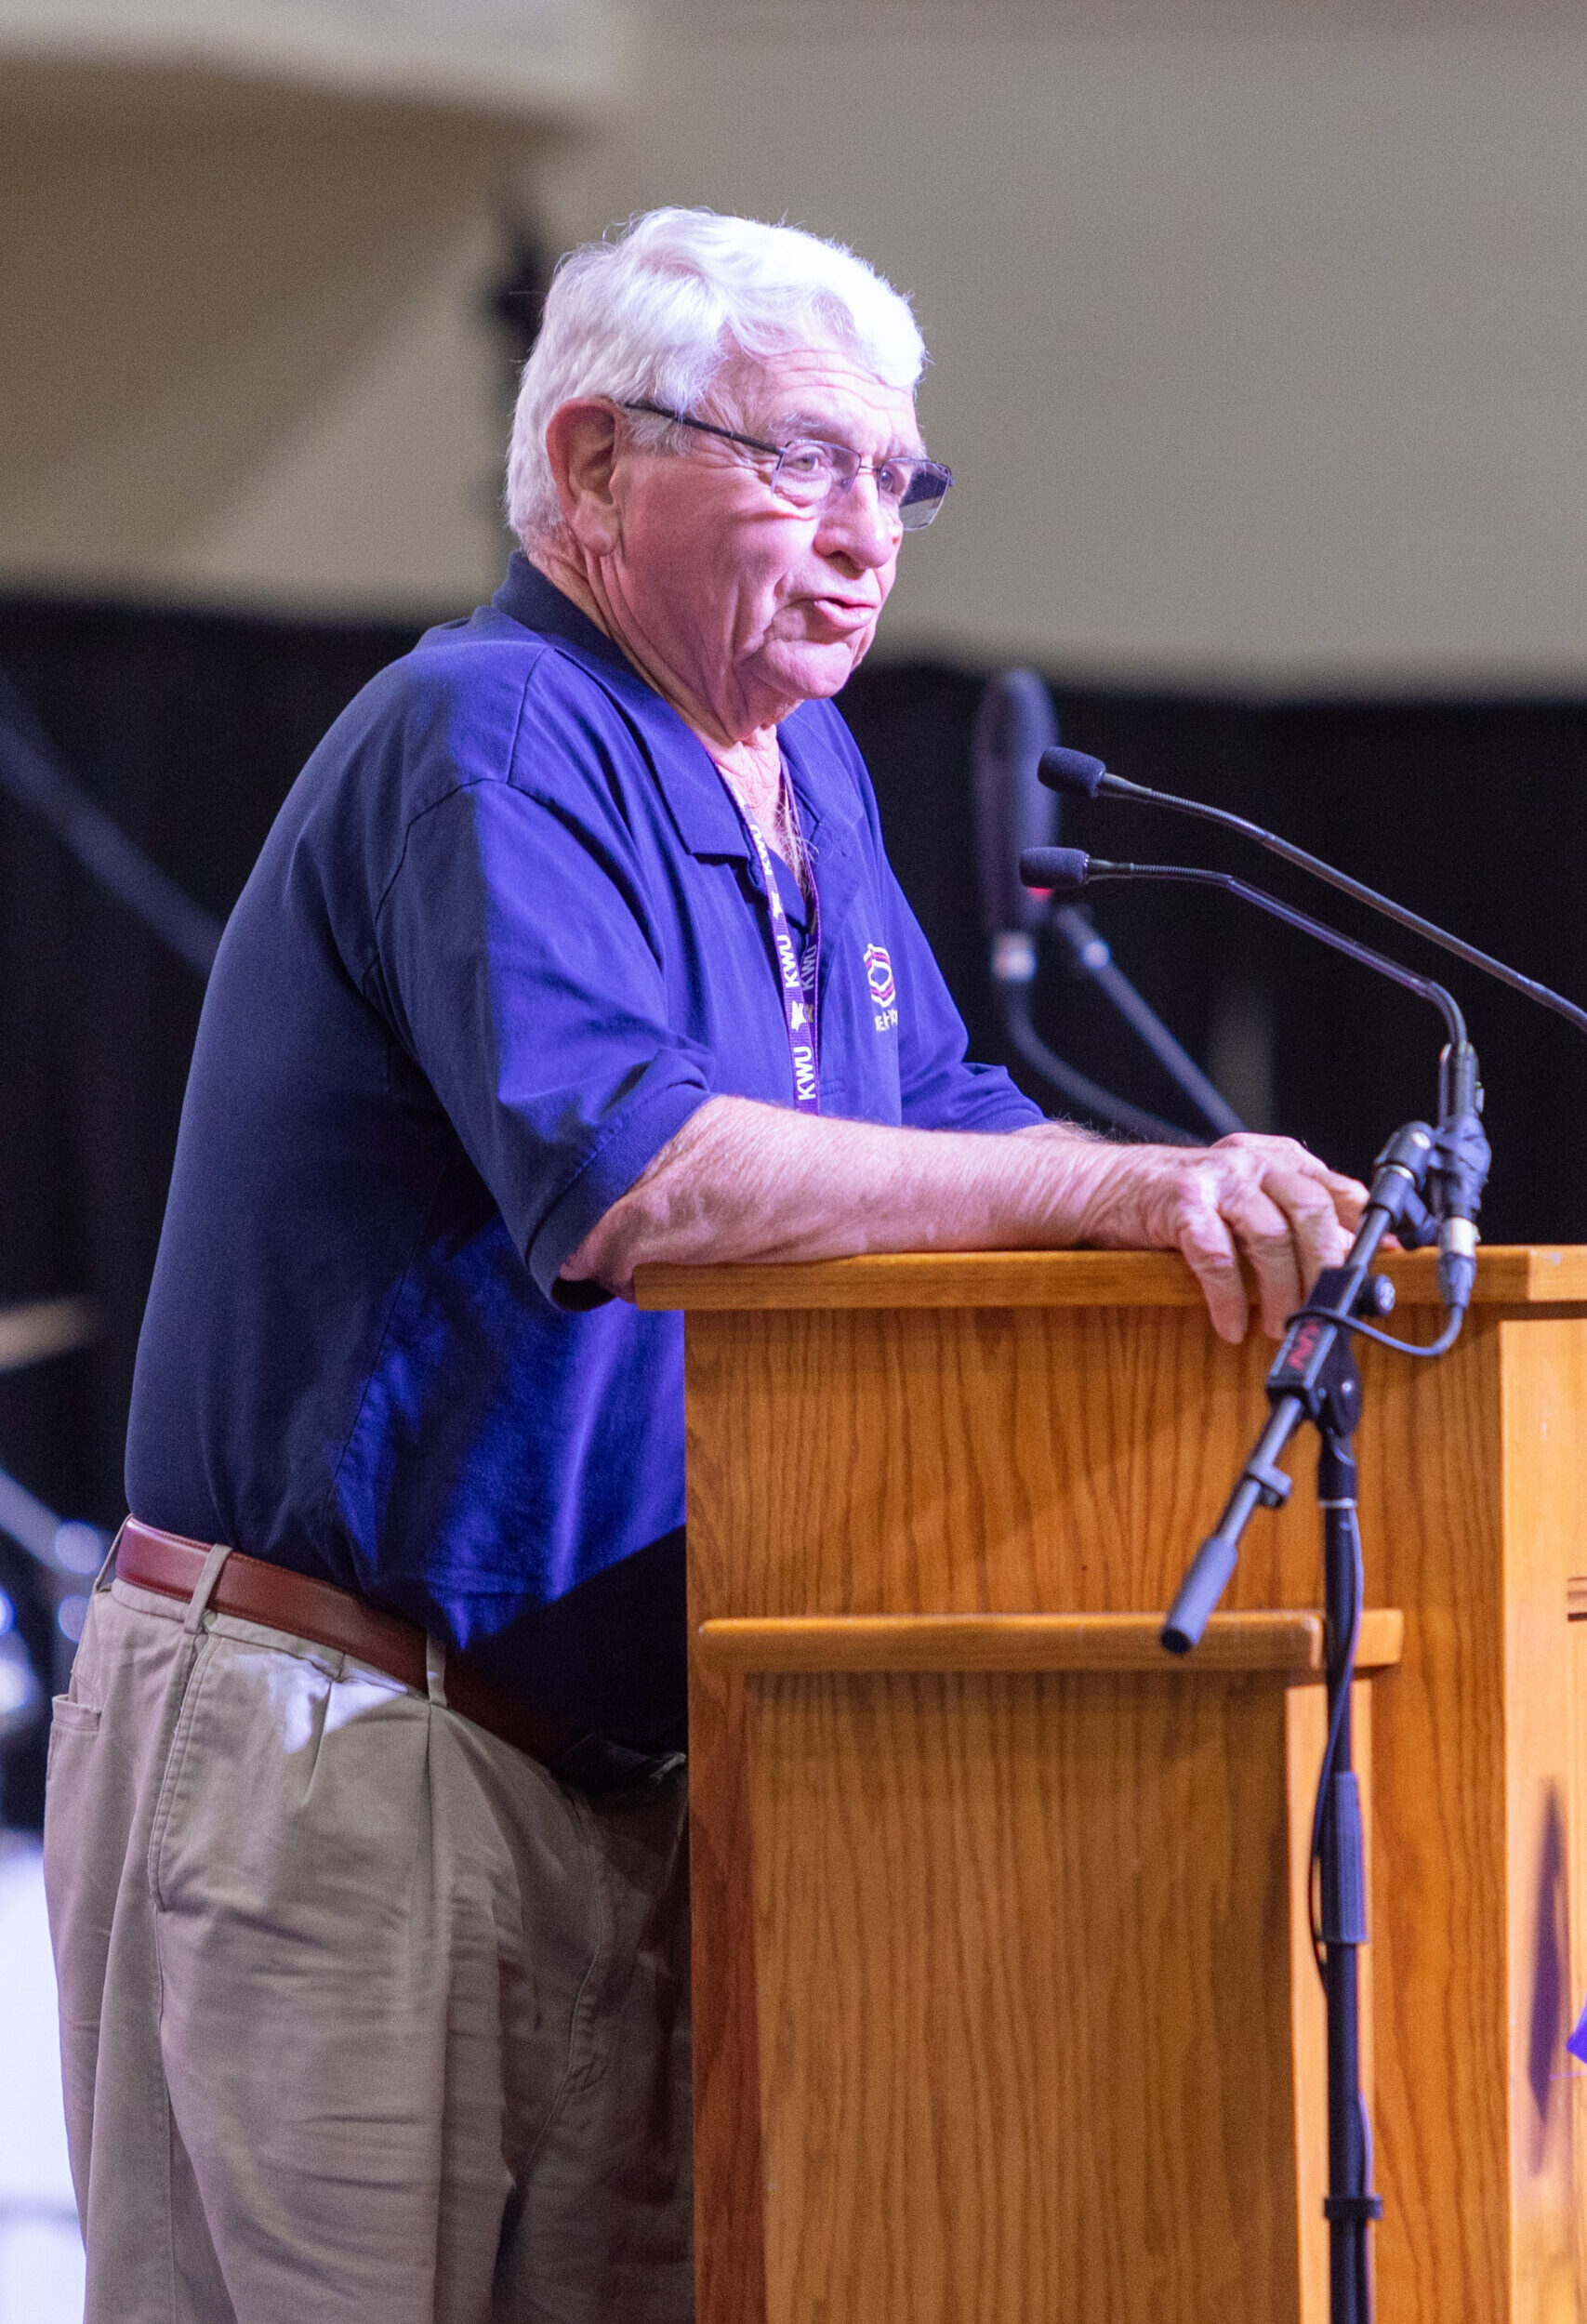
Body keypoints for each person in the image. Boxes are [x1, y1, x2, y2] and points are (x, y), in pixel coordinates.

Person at [45, 207, 1367, 2324]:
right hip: (352, 1734)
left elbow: (939, 1123)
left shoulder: (800, 763)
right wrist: (1108, 1199)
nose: (867, 535)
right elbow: (626, 1179)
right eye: (802, 462)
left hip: (639, 1767)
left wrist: (1184, 1189)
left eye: (897, 480)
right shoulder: (487, 730)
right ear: (584, 463)